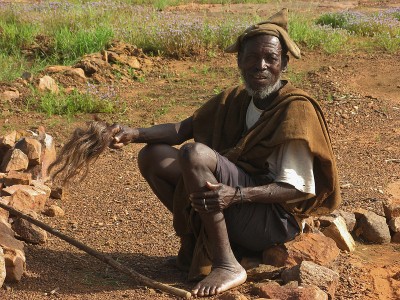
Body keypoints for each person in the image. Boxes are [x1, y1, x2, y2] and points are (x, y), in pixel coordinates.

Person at [109, 8, 341, 297]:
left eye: (271, 58)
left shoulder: (295, 110)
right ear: (239, 61)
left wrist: (237, 195)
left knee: (194, 155)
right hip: (238, 209)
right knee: (152, 156)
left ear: (285, 63)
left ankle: (227, 263)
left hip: (274, 221)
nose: (261, 66)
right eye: (252, 57)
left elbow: (296, 189)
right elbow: (182, 129)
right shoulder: (235, 100)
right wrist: (134, 133)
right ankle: (200, 240)